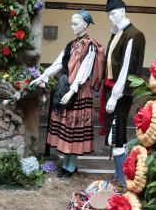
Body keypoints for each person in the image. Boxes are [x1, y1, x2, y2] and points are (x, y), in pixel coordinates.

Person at [31, 10, 105, 178]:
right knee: (66, 129)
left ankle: (71, 166)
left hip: (78, 91)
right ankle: (66, 164)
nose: (72, 26)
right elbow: (59, 62)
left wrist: (73, 90)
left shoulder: (90, 45)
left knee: (74, 130)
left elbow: (85, 70)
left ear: (85, 25)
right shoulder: (71, 44)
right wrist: (43, 75)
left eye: (75, 23)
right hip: (68, 89)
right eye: (71, 23)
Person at [100, 0, 146, 186]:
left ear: (123, 11)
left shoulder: (134, 35)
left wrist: (115, 96)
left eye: (114, 13)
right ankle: (120, 174)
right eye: (109, 14)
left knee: (117, 134)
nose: (111, 17)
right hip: (110, 88)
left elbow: (127, 69)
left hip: (120, 92)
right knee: (113, 135)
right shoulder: (116, 33)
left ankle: (123, 177)